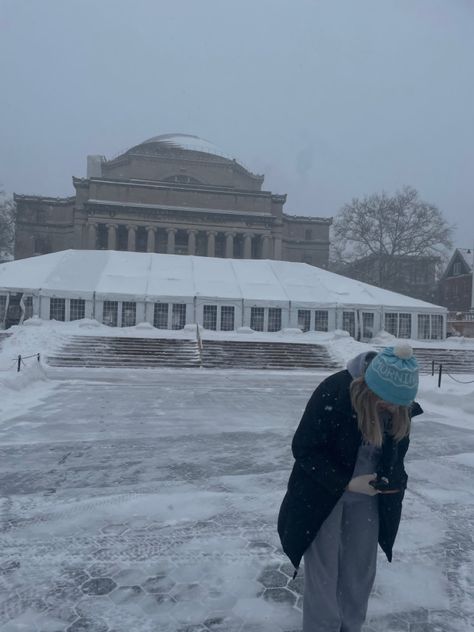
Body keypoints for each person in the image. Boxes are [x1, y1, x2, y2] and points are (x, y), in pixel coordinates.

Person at [277, 344, 422, 632]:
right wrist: (345, 482)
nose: (392, 409)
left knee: (359, 571)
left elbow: (396, 461)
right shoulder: (334, 391)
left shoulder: (399, 409)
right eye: (387, 400)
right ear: (370, 386)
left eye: (399, 404)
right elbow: (304, 448)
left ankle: (351, 626)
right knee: (324, 572)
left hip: (367, 500)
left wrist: (391, 483)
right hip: (321, 495)